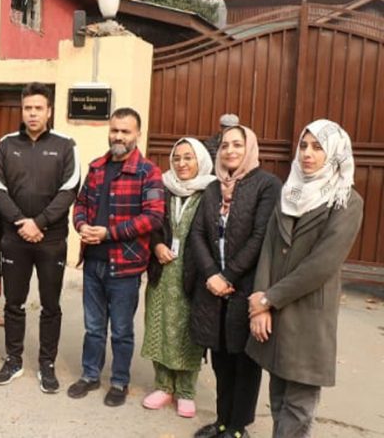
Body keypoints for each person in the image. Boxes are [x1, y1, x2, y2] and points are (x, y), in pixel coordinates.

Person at [246, 120, 363, 438]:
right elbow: (269, 249)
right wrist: (259, 304)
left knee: (298, 407)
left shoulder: (346, 201)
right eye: (304, 145)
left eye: (318, 147)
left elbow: (322, 265)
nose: (307, 154)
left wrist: (269, 298)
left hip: (308, 314)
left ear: (336, 153)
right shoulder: (290, 193)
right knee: (278, 398)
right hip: (272, 312)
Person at [68, 107, 165, 407]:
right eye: (114, 130)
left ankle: (120, 381)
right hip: (93, 261)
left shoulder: (148, 172)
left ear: (137, 134)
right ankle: (89, 375)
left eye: (125, 131)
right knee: (94, 327)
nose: (118, 136)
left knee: (122, 330)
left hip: (126, 264)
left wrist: (108, 233)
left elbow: (153, 218)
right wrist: (82, 225)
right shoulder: (97, 167)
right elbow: (80, 204)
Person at [189, 125, 281, 438]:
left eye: (237, 145)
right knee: (221, 359)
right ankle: (222, 420)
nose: (229, 151)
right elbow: (198, 234)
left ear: (249, 148)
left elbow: (260, 236)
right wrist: (212, 274)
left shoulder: (266, 185)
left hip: (247, 287)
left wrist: (228, 276)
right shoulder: (214, 188)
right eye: (225, 145)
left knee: (244, 361)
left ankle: (239, 426)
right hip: (214, 290)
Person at [0, 82, 80, 393]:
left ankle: (47, 364)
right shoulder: (6, 145)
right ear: (22, 109)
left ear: (49, 111)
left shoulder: (66, 145)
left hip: (50, 239)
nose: (32, 113)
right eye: (28, 108)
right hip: (14, 238)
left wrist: (39, 222)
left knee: (50, 305)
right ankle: (13, 360)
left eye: (38, 108)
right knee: (13, 303)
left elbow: (69, 189)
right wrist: (20, 222)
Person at [141, 138, 216, 417]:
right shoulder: (162, 187)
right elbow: (150, 221)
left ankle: (185, 391)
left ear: (200, 161)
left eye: (188, 158)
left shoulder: (211, 191)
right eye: (177, 158)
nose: (182, 164)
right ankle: (163, 385)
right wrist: (156, 245)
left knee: (188, 330)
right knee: (159, 326)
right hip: (163, 271)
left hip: (194, 273)